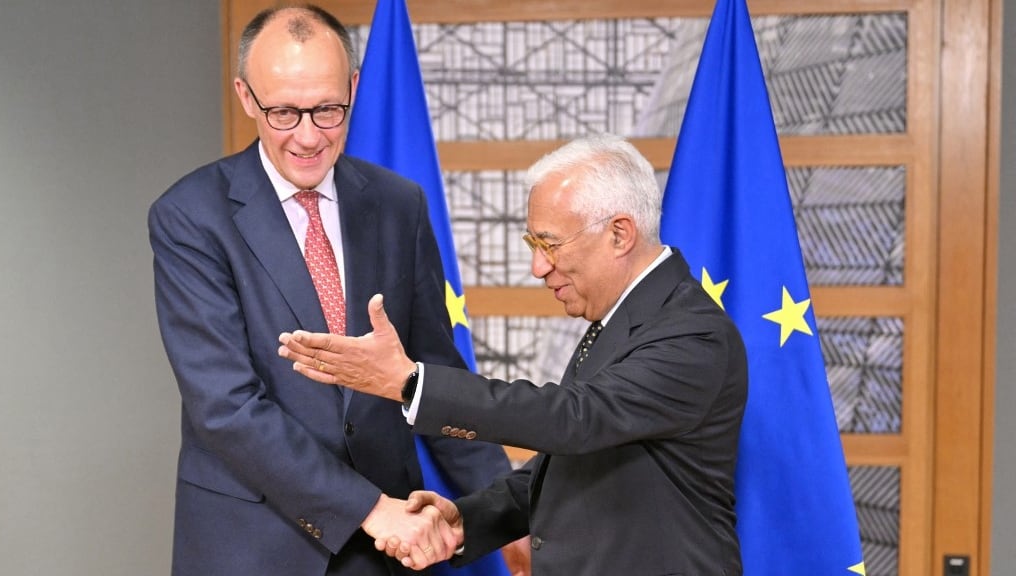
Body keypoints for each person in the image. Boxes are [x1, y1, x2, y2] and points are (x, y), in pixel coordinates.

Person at [148, 5, 518, 575]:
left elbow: (436, 375)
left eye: (327, 110)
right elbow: (226, 407)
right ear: (247, 97)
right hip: (252, 546)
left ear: (353, 89)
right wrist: (370, 508)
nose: (307, 136)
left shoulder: (400, 205)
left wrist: (508, 514)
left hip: (385, 555)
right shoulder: (190, 216)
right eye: (283, 113)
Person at [278, 133, 750, 575]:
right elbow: (572, 464)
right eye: (533, 243)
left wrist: (409, 382)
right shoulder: (619, 320)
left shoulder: (692, 335)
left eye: (549, 244)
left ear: (620, 234)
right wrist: (467, 520)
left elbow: (574, 420)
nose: (537, 267)